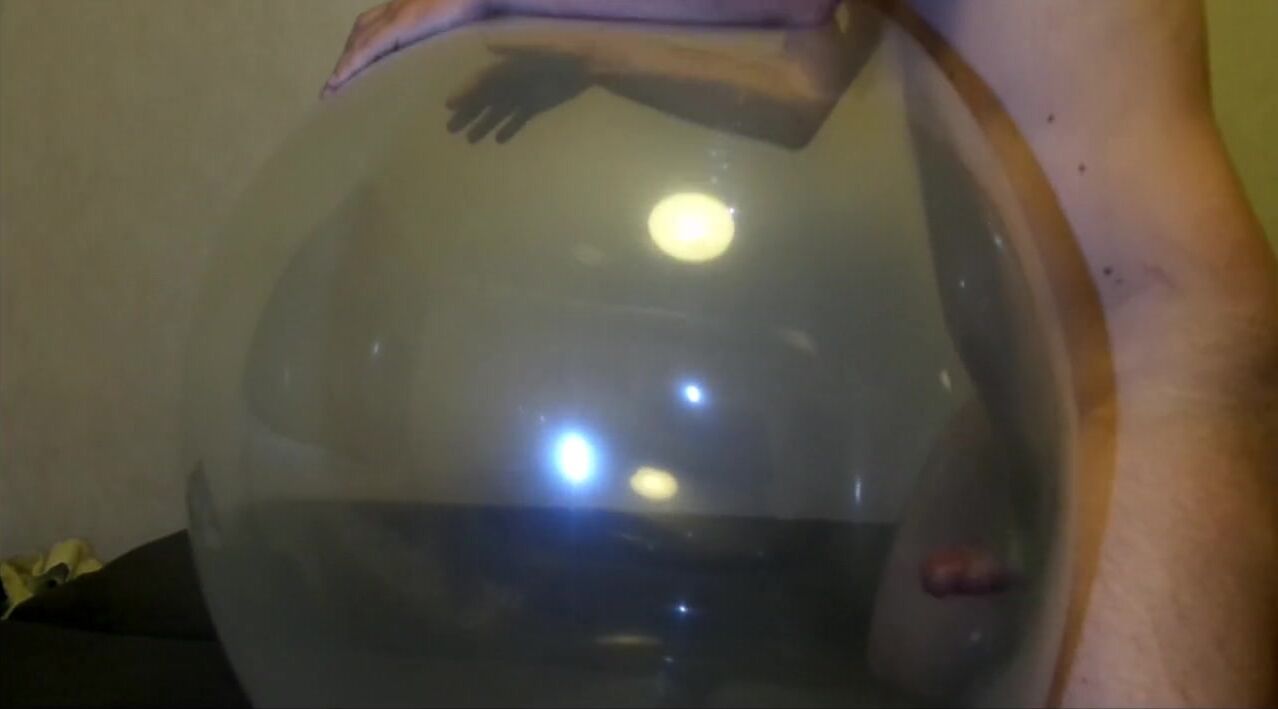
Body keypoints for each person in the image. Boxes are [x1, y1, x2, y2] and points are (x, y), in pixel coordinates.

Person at [322, 1, 1278, 706]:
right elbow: (799, 89)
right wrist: (589, 59)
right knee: (913, 661)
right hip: (1021, 409)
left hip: (1163, 377)